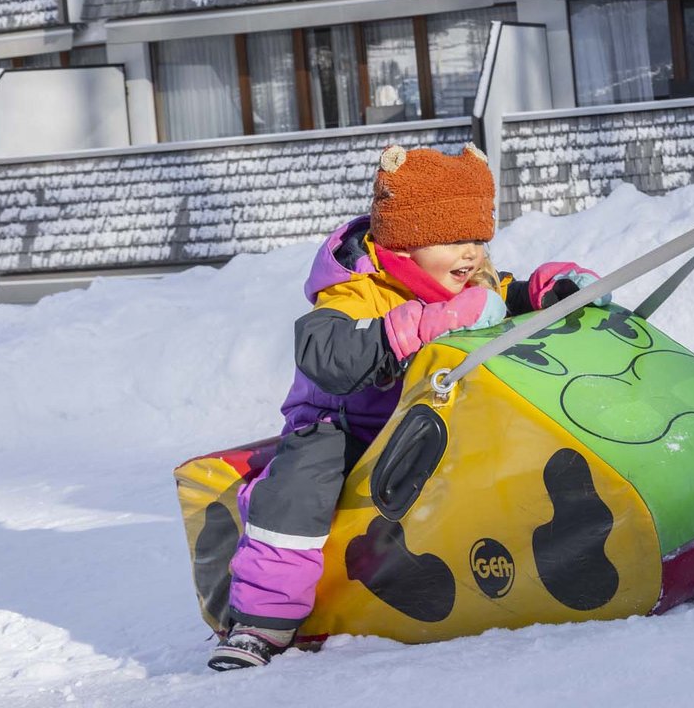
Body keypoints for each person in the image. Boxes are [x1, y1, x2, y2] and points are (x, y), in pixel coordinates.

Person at [210, 143, 596, 670]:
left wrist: (551, 289)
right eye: (454, 239)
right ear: (408, 242)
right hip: (343, 425)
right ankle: (261, 621)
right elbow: (325, 351)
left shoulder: (465, 279)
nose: (472, 254)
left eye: (479, 239)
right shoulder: (356, 290)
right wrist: (429, 323)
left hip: (422, 418)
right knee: (299, 485)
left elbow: (509, 294)